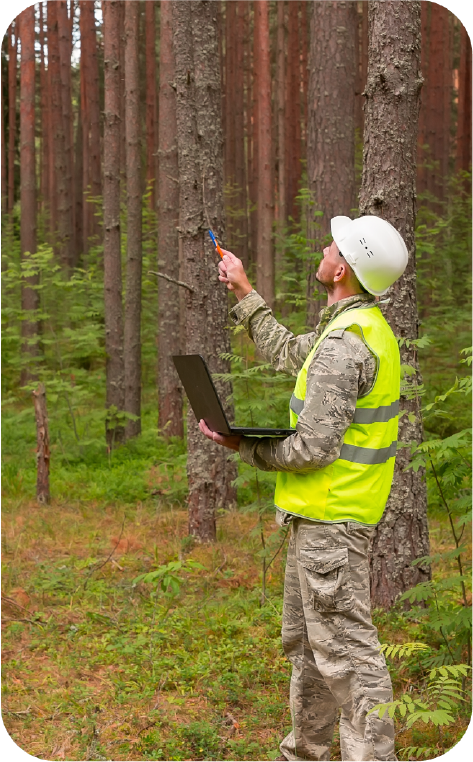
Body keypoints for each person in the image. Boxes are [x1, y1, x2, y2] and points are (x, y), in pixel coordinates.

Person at [199, 215, 408, 762]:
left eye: (332, 245)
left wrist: (243, 447)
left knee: (349, 658)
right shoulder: (348, 328)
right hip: (319, 522)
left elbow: (313, 449)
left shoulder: (348, 345)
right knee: (311, 652)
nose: (323, 247)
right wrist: (244, 292)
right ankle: (307, 753)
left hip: (332, 527)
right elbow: (292, 352)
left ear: (342, 268)